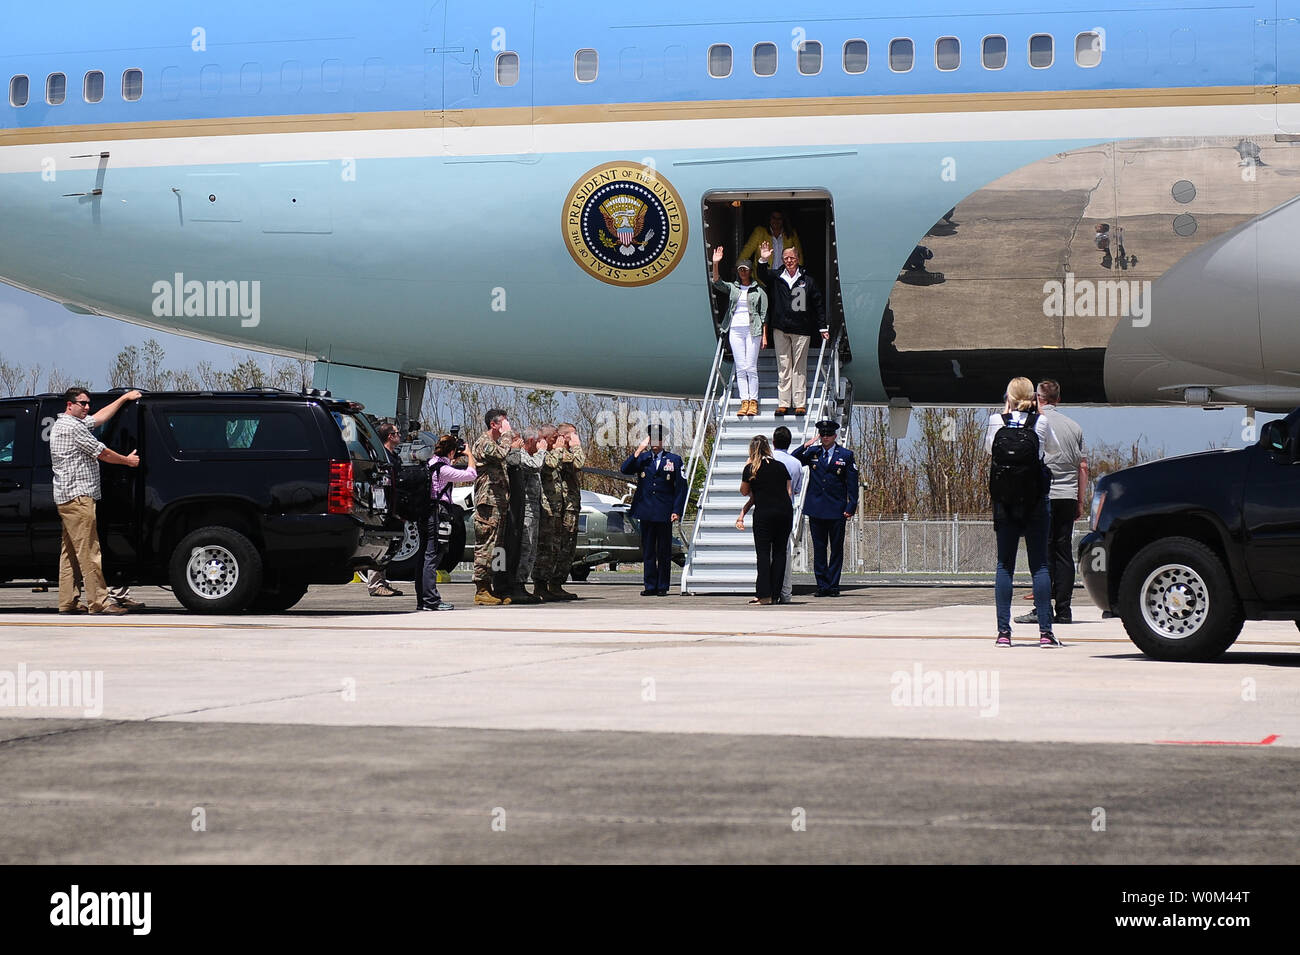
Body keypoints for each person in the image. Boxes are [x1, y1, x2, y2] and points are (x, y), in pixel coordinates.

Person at [986, 376, 1062, 648]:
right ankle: (1045, 633)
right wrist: (1038, 416)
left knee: (1004, 565)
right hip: (1035, 501)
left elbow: (989, 450)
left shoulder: (997, 421)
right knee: (1039, 565)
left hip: (1005, 502)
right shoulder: (1040, 422)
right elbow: (1053, 450)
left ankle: (1003, 633)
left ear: (1008, 396)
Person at [50, 387, 141, 615]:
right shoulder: (73, 429)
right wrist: (128, 461)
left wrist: (123, 398)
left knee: (70, 552)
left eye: (88, 403)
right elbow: (103, 453)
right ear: (69, 405)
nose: (87, 407)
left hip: (67, 497)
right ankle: (99, 601)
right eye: (83, 403)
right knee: (89, 551)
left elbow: (98, 418)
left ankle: (67, 601)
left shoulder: (68, 424)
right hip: (79, 497)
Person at [1015, 380, 1088, 627]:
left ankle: (1042, 608)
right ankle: (1065, 611)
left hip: (1043, 496)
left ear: (1038, 397)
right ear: (1058, 398)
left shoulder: (1036, 423)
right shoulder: (1074, 427)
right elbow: (1083, 467)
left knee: (1042, 555)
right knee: (1063, 553)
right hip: (1068, 496)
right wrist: (1080, 500)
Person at [791, 420, 858, 597]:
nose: (825, 437)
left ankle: (834, 585)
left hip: (837, 509)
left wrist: (851, 506)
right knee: (819, 549)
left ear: (835, 436)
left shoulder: (845, 455)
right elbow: (794, 458)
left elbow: (852, 483)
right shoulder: (813, 453)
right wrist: (806, 444)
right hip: (817, 509)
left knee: (836, 549)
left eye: (828, 434)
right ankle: (822, 585)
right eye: (823, 434)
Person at [758, 241, 826, 416]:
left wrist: (822, 328)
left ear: (798, 259)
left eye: (792, 258)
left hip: (802, 329)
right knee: (784, 365)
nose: (789, 261)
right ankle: (783, 402)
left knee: (799, 367)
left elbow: (818, 304)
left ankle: (799, 403)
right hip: (780, 328)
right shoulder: (776, 276)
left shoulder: (807, 280)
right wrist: (763, 260)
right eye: (786, 258)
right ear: (782, 259)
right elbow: (762, 275)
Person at [621, 426, 687, 596]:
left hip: (664, 511)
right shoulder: (643, 459)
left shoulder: (674, 459)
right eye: (652, 439)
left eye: (659, 439)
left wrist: (677, 510)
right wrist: (638, 450)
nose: (655, 442)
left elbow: (680, 488)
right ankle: (650, 585)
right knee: (648, 549)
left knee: (664, 550)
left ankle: (662, 585)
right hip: (646, 510)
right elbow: (625, 469)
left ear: (663, 441)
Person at [416, 434, 478, 611]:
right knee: (433, 556)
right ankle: (431, 600)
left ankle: (423, 599)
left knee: (424, 557)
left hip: (425, 513)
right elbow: (471, 474)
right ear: (451, 451)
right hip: (437, 514)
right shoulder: (443, 469)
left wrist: (452, 457)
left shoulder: (430, 464)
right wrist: (469, 455)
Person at [736, 434, 793, 605]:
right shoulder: (781, 466)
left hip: (764, 513)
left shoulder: (751, 469)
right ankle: (776, 594)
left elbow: (744, 492)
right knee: (780, 552)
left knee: (762, 554)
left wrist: (748, 466)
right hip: (784, 512)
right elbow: (789, 491)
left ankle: (764, 594)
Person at [711, 247, 768, 417]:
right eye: (740, 270)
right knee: (741, 368)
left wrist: (764, 335)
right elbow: (717, 283)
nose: (743, 272)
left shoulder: (759, 291)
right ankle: (744, 401)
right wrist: (715, 263)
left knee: (751, 367)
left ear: (750, 271)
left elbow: (764, 315)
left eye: (745, 270)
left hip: (753, 330)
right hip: (735, 329)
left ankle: (753, 401)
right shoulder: (733, 288)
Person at [471, 408, 515, 606]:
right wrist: (507, 436)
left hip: (499, 502)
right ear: (493, 424)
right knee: (486, 545)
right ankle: (481, 588)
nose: (507, 426)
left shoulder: (495, 442)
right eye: (503, 423)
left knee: (498, 548)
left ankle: (496, 586)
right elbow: (501, 453)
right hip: (488, 503)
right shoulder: (484, 443)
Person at [365, 422, 406, 597]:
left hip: (394, 506)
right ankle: (374, 584)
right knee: (380, 543)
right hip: (384, 507)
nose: (399, 435)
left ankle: (382, 581)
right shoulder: (381, 457)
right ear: (390, 436)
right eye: (396, 433)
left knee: (390, 544)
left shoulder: (393, 456)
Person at [508, 427, 546, 604]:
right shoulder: (522, 456)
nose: (540, 444)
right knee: (525, 548)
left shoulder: (530, 455)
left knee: (531, 549)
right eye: (538, 441)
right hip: (526, 511)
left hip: (534, 509)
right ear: (530, 441)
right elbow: (535, 467)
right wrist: (543, 451)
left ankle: (523, 584)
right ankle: (517, 585)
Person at [548, 422, 585, 600]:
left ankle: (557, 583)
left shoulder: (565, 452)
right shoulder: (561, 452)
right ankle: (553, 583)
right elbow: (579, 463)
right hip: (564, 507)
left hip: (571, 506)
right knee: (562, 545)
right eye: (571, 435)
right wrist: (576, 446)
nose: (575, 439)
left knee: (568, 546)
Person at [532, 423, 567, 602]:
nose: (556, 442)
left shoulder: (551, 452)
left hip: (555, 508)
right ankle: (539, 584)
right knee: (544, 548)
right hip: (546, 507)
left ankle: (546, 584)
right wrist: (558, 449)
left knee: (553, 548)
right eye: (554, 438)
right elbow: (550, 465)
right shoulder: (543, 453)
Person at [770, 426, 804, 604]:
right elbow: (796, 491)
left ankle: (768, 591)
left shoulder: (766, 460)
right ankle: (785, 593)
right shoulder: (795, 463)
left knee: (766, 554)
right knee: (784, 552)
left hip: (766, 509)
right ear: (789, 443)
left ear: (773, 442)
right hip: (786, 510)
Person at [739, 208, 803, 274]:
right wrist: (739, 265)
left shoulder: (791, 234)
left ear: (783, 220)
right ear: (769, 219)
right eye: (774, 218)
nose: (776, 221)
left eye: (779, 218)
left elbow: (798, 255)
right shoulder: (760, 232)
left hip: (785, 276)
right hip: (764, 277)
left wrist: (799, 273)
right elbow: (747, 250)